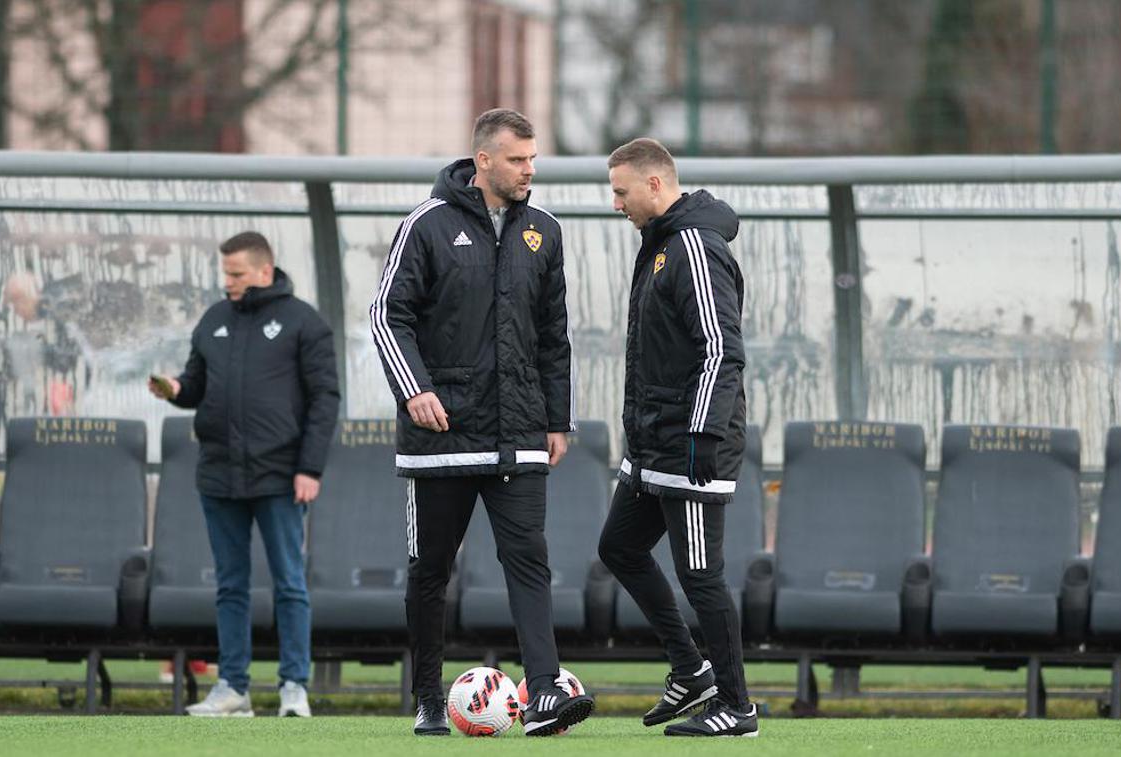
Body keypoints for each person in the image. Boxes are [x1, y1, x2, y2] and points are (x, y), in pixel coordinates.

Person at [369, 108, 593, 737]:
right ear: (484, 161)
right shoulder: (426, 225)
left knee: (529, 559)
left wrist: (558, 419)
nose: (529, 170)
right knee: (431, 569)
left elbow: (555, 336)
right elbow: (388, 315)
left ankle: (545, 691)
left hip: (520, 432)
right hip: (441, 437)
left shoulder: (543, 231)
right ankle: (428, 697)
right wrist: (414, 390)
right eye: (519, 160)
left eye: (533, 159)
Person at [598, 138, 758, 737]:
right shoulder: (661, 246)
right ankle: (693, 672)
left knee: (701, 575)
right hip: (653, 446)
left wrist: (703, 433)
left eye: (621, 191)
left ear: (656, 186)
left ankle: (737, 707)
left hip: (693, 445)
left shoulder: (693, 247)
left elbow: (722, 348)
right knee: (618, 547)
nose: (616, 204)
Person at [148, 231, 339, 718]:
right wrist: (174, 388)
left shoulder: (304, 323)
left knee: (289, 583)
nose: (227, 282)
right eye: (225, 273)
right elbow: (195, 386)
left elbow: (324, 402)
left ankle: (294, 686)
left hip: (281, 476)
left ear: (264, 271)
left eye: (236, 274)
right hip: (219, 476)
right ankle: (233, 688)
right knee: (229, 585)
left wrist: (309, 468)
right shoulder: (213, 320)